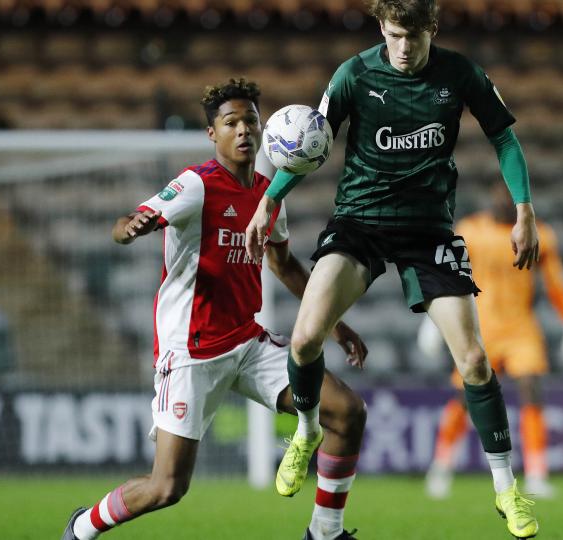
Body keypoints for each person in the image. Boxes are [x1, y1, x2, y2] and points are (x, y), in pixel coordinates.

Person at [245, 1, 540, 537]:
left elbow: (503, 137)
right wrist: (268, 199)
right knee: (306, 338)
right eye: (393, 34)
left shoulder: (460, 73)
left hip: (429, 232)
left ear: (431, 28)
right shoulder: (354, 73)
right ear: (382, 27)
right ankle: (307, 433)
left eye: (412, 36)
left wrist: (524, 209)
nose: (402, 48)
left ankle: (507, 490)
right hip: (360, 223)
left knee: (474, 361)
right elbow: (312, 143)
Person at [61, 79, 367, 540]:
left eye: (250, 121)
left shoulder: (268, 194)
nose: (243, 130)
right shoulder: (195, 185)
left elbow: (283, 264)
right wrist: (132, 228)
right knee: (167, 487)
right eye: (231, 123)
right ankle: (83, 526)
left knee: (346, 411)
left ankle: (325, 532)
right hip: (192, 350)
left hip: (246, 340)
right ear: (213, 135)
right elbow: (121, 226)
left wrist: (334, 325)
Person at [422, 177, 563, 500]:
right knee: (466, 397)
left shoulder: (538, 234)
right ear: (492, 195)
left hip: (520, 326)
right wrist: (432, 321)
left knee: (531, 386)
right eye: (501, 193)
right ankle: (442, 466)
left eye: (513, 196)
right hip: (479, 325)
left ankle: (538, 474)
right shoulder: (471, 230)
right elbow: (447, 273)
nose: (505, 200)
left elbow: (556, 283)